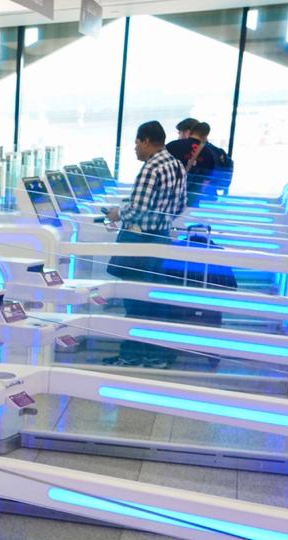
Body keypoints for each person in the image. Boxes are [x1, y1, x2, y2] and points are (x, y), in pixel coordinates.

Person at [105, 120, 188, 367]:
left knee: (134, 298)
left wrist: (116, 213)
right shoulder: (176, 165)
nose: (135, 149)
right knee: (153, 299)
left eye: (137, 143)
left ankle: (131, 356)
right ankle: (154, 354)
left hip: (140, 240)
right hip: (161, 237)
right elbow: (182, 204)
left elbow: (139, 209)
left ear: (147, 141)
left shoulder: (151, 168)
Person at [188, 122, 234, 197]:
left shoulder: (196, 150)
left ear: (188, 133)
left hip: (194, 193)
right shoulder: (218, 151)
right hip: (210, 194)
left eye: (180, 133)